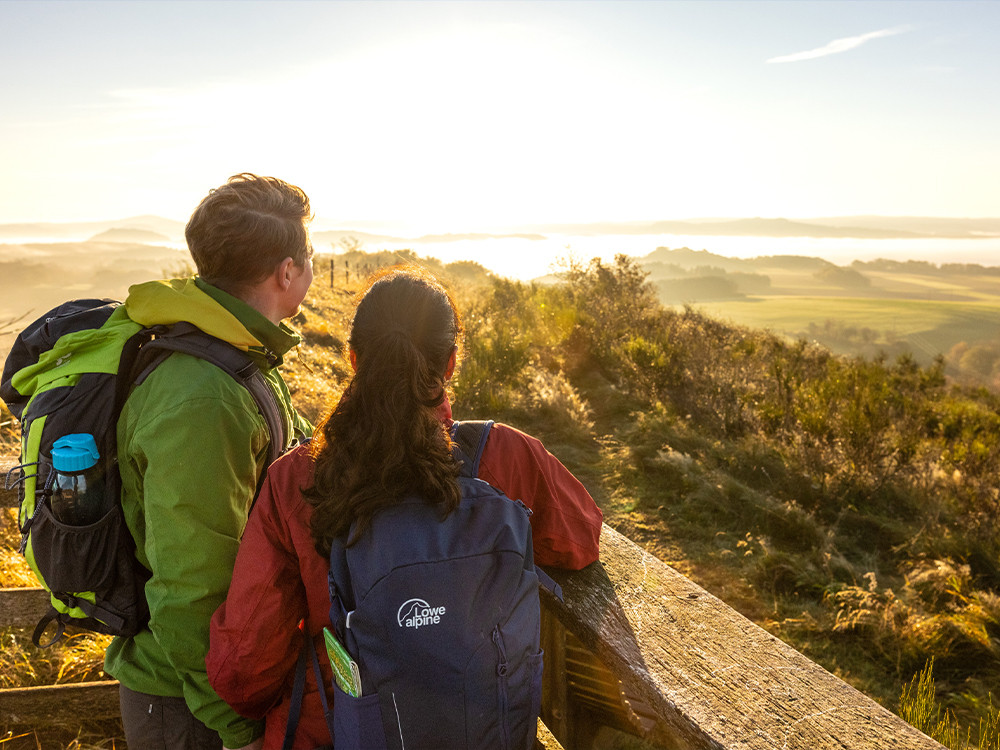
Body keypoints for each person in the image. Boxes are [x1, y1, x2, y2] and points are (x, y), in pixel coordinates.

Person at [207, 265, 603, 749]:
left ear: (354, 359)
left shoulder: (298, 478)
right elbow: (580, 540)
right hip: (483, 730)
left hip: (333, 732)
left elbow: (243, 668)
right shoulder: (508, 456)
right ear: (451, 362)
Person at [103, 173, 315, 750]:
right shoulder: (204, 396)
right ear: (287, 271)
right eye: (309, 256)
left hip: (215, 684)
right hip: (189, 706)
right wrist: (236, 729)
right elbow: (189, 586)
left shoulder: (238, 357)